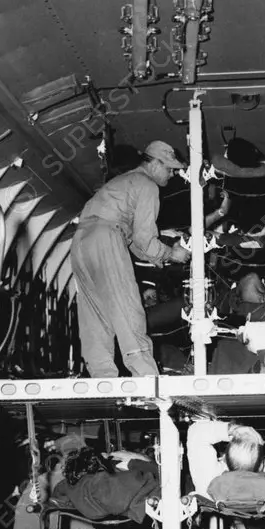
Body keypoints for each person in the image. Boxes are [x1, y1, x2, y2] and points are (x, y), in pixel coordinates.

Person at [70, 141, 191, 377]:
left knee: (95, 311)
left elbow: (136, 244)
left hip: (81, 241)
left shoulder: (121, 182)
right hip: (107, 237)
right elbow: (144, 239)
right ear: (154, 164)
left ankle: (102, 377)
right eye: (169, 168)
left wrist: (161, 255)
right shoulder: (147, 185)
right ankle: (147, 376)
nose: (172, 173)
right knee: (126, 304)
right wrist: (172, 253)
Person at [186, 418, 265, 497]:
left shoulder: (208, 487)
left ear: (225, 459)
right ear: (261, 465)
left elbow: (195, 433)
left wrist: (232, 429)